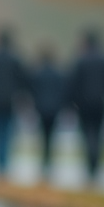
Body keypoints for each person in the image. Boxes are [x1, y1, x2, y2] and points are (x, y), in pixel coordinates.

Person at [68, 29, 104, 183]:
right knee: (98, 133)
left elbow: (74, 83)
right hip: (100, 102)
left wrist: (74, 101)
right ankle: (95, 163)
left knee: (87, 133)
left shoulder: (81, 60)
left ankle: (90, 162)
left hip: (84, 103)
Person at [0, 28, 29, 179]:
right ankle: (5, 165)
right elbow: (23, 81)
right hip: (10, 101)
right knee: (8, 134)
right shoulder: (15, 59)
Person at [29, 44, 67, 182]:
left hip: (41, 109)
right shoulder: (59, 74)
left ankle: (44, 164)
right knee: (51, 138)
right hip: (54, 110)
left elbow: (33, 90)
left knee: (43, 138)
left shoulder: (37, 73)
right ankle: (49, 163)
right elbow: (63, 91)